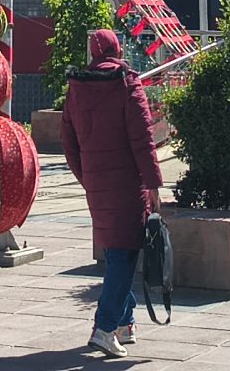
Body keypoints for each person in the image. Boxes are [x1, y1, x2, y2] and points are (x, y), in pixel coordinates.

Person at [59, 27, 161, 359]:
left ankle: (125, 323)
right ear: (116, 48)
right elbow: (143, 140)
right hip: (129, 184)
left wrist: (87, 177)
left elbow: (69, 143)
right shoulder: (127, 84)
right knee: (125, 254)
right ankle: (104, 328)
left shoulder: (76, 89)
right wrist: (154, 184)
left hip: (97, 185)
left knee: (119, 251)